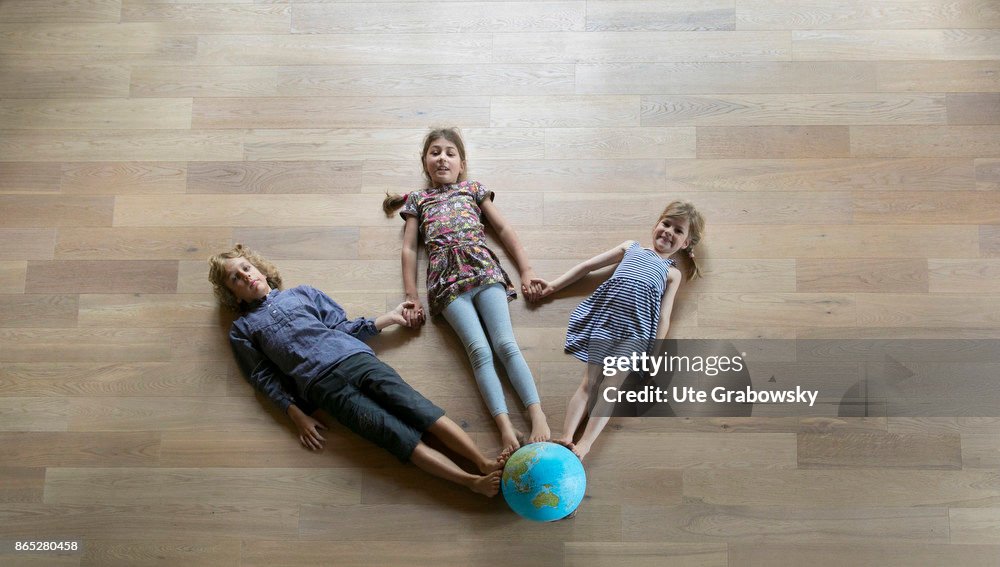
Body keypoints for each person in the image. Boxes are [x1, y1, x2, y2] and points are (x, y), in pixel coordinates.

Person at [208, 244, 504, 497]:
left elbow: (342, 327)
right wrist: (295, 414)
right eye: (236, 278)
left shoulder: (303, 293)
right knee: (398, 438)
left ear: (259, 268)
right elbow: (262, 376)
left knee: (421, 411)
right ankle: (471, 482)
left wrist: (387, 319)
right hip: (323, 389)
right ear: (233, 295)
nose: (246, 276)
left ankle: (482, 462)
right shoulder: (242, 329)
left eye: (246, 268)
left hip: (356, 360)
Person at [382, 127, 550, 455]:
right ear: (425, 162)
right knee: (479, 352)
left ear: (462, 163)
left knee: (505, 344)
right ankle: (505, 429)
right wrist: (411, 296)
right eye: (435, 152)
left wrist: (526, 269)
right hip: (446, 285)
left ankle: (537, 415)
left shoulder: (473, 189)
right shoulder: (418, 199)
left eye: (449, 152)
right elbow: (408, 250)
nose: (442, 158)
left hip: (483, 271)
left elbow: (502, 229)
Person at [529, 201, 705, 461]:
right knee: (589, 384)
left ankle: (585, 444)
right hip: (606, 323)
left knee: (610, 388)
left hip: (636, 333)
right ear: (656, 224)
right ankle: (566, 436)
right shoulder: (629, 248)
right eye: (666, 224)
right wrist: (553, 286)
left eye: (678, 231)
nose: (668, 232)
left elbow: (664, 317)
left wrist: (654, 352)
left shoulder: (671, 273)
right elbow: (588, 266)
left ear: (686, 242)